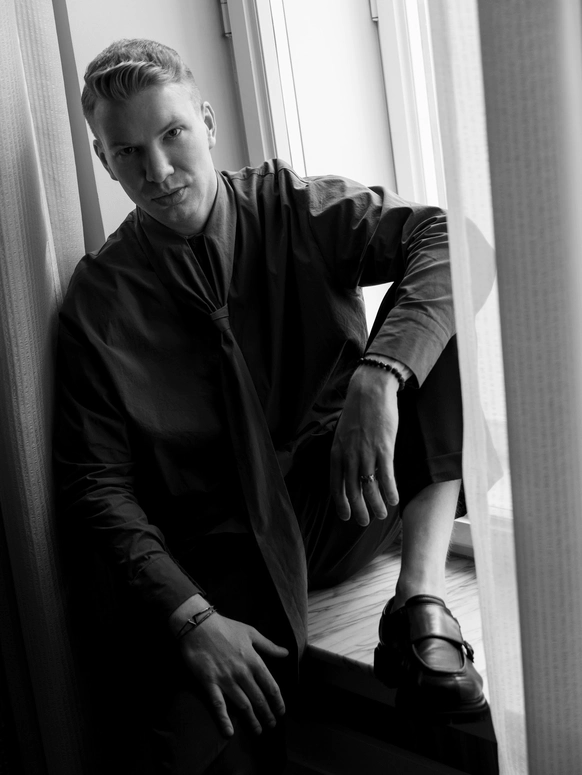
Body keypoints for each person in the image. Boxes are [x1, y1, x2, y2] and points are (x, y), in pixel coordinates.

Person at [55, 38, 486, 775]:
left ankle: (418, 602)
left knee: (432, 315)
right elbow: (97, 486)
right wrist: (191, 616)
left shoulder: (293, 207)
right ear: (103, 159)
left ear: (207, 121)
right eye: (127, 152)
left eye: (172, 133)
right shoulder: (98, 300)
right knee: (187, 755)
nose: (157, 170)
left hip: (344, 499)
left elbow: (452, 237)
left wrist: (378, 375)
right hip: (225, 561)